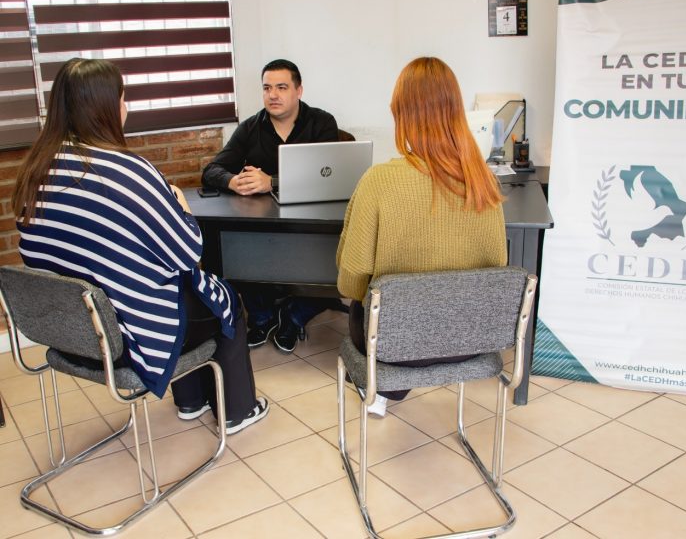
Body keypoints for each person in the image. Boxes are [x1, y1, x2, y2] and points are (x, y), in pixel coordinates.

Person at [12, 58, 268, 435]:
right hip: (127, 334)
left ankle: (191, 401)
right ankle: (237, 411)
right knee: (223, 298)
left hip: (70, 330)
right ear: (106, 106)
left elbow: (37, 255)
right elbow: (186, 253)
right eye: (123, 97)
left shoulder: (35, 171)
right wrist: (180, 206)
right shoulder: (128, 170)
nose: (126, 106)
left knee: (174, 288)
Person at [336, 57, 508, 417]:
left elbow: (351, 280)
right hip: (469, 342)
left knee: (364, 303)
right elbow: (496, 268)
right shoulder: (484, 183)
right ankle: (388, 388)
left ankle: (381, 390)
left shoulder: (378, 182)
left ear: (402, 114)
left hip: (393, 345)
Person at [202, 59, 341, 354]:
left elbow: (330, 176)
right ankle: (263, 319)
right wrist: (232, 182)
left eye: (281, 87)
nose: (273, 95)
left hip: (311, 223)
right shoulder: (250, 127)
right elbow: (211, 170)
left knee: (332, 262)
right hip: (263, 225)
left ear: (298, 90)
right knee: (240, 251)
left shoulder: (322, 122)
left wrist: (272, 182)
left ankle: (293, 317)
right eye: (267, 88)